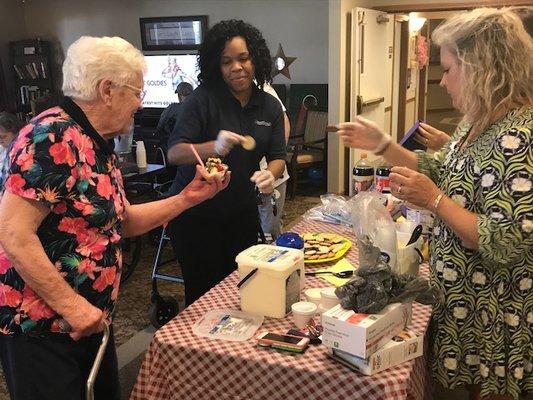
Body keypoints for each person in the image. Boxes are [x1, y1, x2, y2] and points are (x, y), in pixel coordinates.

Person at [0, 36, 229, 400]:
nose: (140, 102)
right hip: (45, 326)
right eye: (136, 91)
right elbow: (13, 234)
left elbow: (122, 222)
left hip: (88, 319)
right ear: (107, 90)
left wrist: (188, 197)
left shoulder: (93, 140)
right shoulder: (50, 136)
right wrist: (72, 307)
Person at [336, 8, 532, 400]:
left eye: (449, 69)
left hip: (490, 321)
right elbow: (438, 165)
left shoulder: (519, 140)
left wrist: (435, 200)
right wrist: (383, 145)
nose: (443, 81)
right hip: (461, 309)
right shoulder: (476, 123)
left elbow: (506, 241)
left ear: (482, 70)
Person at [167, 19, 286, 305]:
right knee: (204, 296)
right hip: (195, 215)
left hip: (241, 212)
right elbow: (174, 153)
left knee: (244, 288)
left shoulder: (269, 106)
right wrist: (213, 147)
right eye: (226, 61)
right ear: (215, 66)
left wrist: (270, 174)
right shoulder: (202, 100)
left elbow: (279, 156)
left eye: (243, 58)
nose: (237, 67)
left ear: (255, 59)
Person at [258, 83, 291, 239]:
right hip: (241, 180)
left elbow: (284, 122)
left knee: (269, 230)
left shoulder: (264, 89)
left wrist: (278, 154)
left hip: (269, 172)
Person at [156, 81, 194, 153]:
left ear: (179, 96)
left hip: (170, 150)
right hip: (191, 152)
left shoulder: (171, 108)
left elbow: (159, 129)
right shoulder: (198, 109)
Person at [0, 112, 22, 190]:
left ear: (15, 133)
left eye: (3, 137)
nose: (0, 141)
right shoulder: (2, 149)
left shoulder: (21, 150)